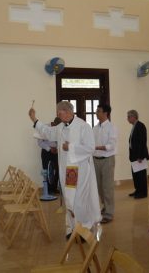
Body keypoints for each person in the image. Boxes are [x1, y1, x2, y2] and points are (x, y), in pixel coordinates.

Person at [29, 101, 101, 239]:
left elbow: (91, 148)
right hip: (67, 171)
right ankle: (72, 228)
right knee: (69, 199)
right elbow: (48, 132)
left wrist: (72, 147)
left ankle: (84, 229)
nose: (58, 116)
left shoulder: (83, 127)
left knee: (79, 200)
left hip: (80, 170)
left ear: (68, 111)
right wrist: (34, 119)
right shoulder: (61, 127)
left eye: (60, 113)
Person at [93, 104, 117, 224]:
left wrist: (98, 147)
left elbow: (111, 145)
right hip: (95, 160)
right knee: (99, 187)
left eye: (98, 111)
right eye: (97, 111)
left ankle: (109, 213)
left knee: (107, 187)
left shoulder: (111, 127)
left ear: (106, 113)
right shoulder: (95, 128)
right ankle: (105, 206)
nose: (96, 113)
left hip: (107, 160)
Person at [127, 110, 149, 199]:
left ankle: (143, 193)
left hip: (139, 156)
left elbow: (142, 141)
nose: (127, 119)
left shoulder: (140, 126)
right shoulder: (134, 126)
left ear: (134, 117)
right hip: (134, 155)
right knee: (135, 175)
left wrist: (140, 156)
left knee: (141, 175)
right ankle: (137, 190)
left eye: (128, 117)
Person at [37, 117, 61, 194]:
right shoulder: (45, 128)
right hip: (46, 152)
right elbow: (40, 142)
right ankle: (47, 189)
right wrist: (49, 149)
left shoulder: (59, 128)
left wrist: (57, 148)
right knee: (46, 170)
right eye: (56, 127)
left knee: (57, 169)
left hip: (56, 152)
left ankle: (54, 188)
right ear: (53, 123)